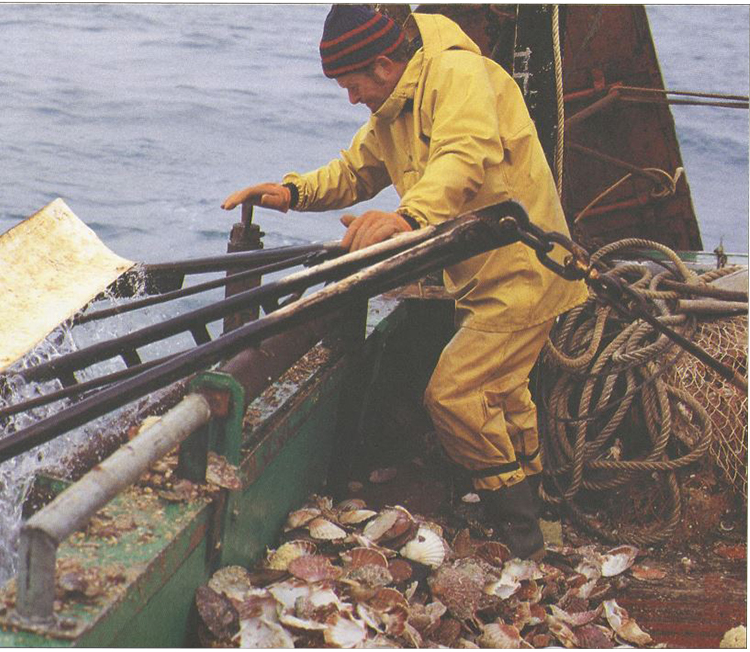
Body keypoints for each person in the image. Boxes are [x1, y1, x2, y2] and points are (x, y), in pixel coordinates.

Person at [221, 6, 588, 560]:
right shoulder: (395, 107)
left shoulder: (458, 76)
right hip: (482, 275)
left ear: (386, 63)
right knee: (506, 394)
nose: (351, 98)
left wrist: (408, 219)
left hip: (525, 270)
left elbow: (462, 159)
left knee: (455, 395)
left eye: (353, 84)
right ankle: (538, 510)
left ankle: (519, 536)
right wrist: (291, 194)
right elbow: (355, 172)